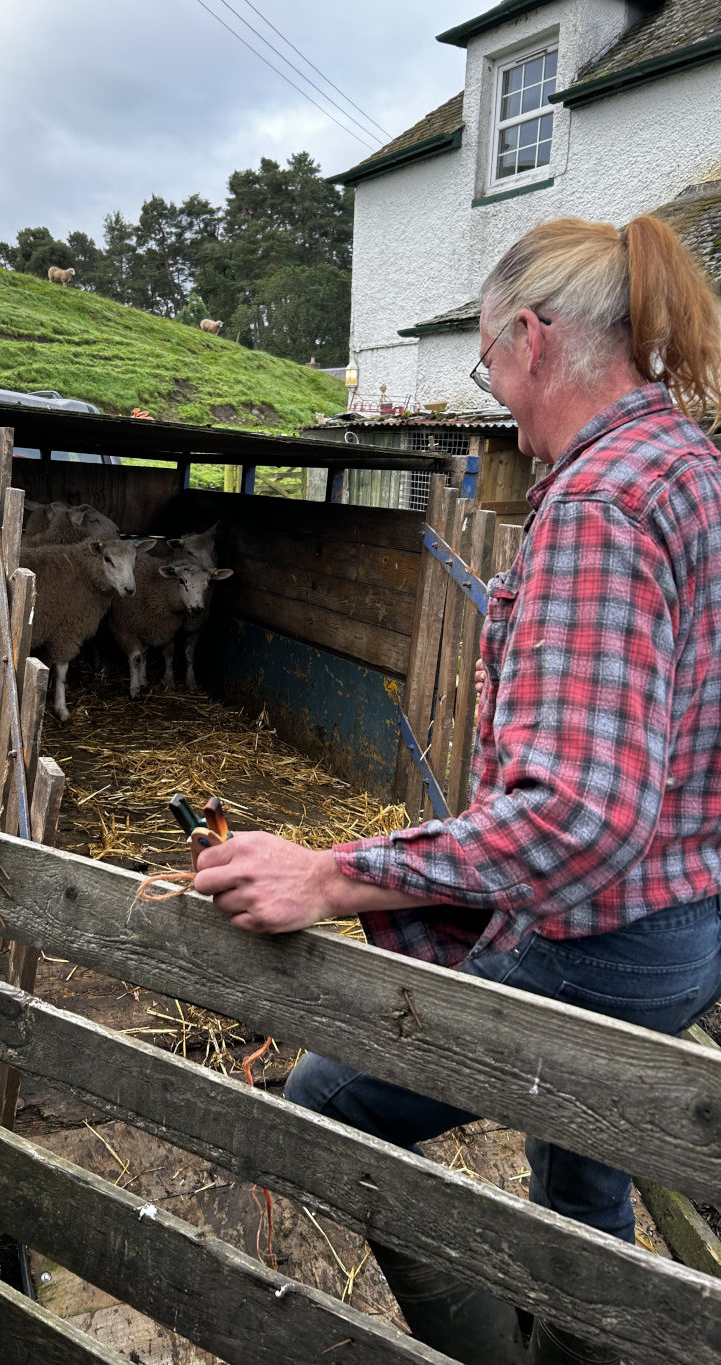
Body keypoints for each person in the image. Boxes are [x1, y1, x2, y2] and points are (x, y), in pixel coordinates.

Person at [194, 215, 721, 1365]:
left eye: (488, 362)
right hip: (686, 924)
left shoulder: (597, 507)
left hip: (599, 940)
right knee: (578, 1177)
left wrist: (335, 873)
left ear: (531, 338)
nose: (497, 394)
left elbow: (576, 815)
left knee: (331, 1103)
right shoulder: (688, 468)